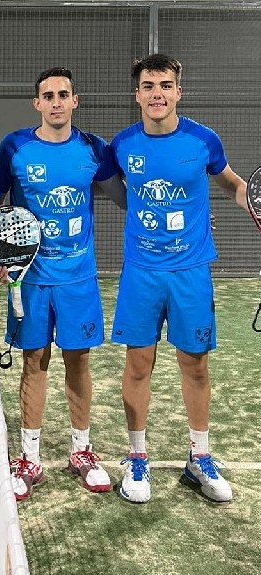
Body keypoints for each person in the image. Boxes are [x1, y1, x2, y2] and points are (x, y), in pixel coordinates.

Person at [110, 54, 249, 503]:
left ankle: (199, 456)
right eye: (149, 86)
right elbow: (107, 188)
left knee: (196, 365)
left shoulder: (204, 140)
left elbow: (231, 184)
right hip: (141, 272)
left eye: (165, 85)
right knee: (138, 364)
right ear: (137, 94)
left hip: (191, 272)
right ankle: (137, 457)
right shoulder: (121, 145)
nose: (158, 94)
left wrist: (253, 201)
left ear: (178, 92)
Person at [0, 67, 127, 501]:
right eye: (47, 96)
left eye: (62, 94)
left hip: (78, 278)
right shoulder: (14, 146)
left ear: (74, 101)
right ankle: (29, 458)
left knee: (78, 360)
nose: (55, 102)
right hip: (30, 280)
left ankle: (81, 451)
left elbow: (127, 197)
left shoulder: (94, 149)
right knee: (34, 361)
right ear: (37, 103)